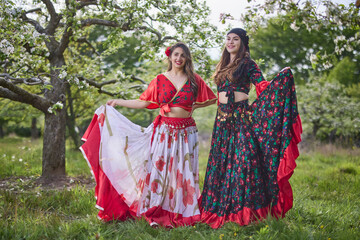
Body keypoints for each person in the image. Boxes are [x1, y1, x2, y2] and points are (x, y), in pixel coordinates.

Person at [80, 42, 217, 228]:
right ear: (170, 57)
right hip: (165, 131)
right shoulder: (160, 79)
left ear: (187, 59)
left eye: (182, 55)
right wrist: (118, 101)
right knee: (161, 171)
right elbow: (143, 102)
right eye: (175, 54)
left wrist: (193, 105)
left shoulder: (194, 80)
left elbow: (211, 99)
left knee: (183, 172)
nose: (178, 58)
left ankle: (183, 209)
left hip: (187, 132)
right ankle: (158, 208)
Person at [200, 28, 302, 228]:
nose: (230, 42)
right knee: (220, 164)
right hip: (221, 121)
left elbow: (261, 85)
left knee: (244, 161)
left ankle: (246, 209)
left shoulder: (248, 64)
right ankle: (219, 207)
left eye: (235, 39)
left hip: (240, 118)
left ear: (242, 43)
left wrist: (279, 81)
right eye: (228, 38)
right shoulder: (222, 65)